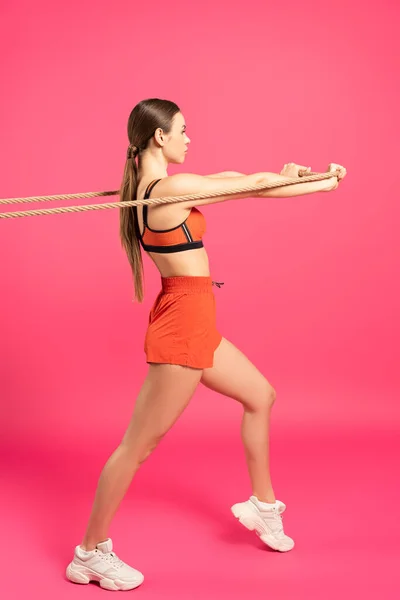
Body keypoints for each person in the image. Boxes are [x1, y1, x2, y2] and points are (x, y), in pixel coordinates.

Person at [66, 98, 346, 591]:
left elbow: (244, 182)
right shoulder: (168, 190)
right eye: (183, 130)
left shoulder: (150, 189)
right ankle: (90, 552)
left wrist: (308, 180)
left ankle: (261, 506)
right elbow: (252, 185)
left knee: (261, 397)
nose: (189, 138)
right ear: (159, 137)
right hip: (181, 327)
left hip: (196, 318)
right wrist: (316, 181)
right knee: (137, 447)